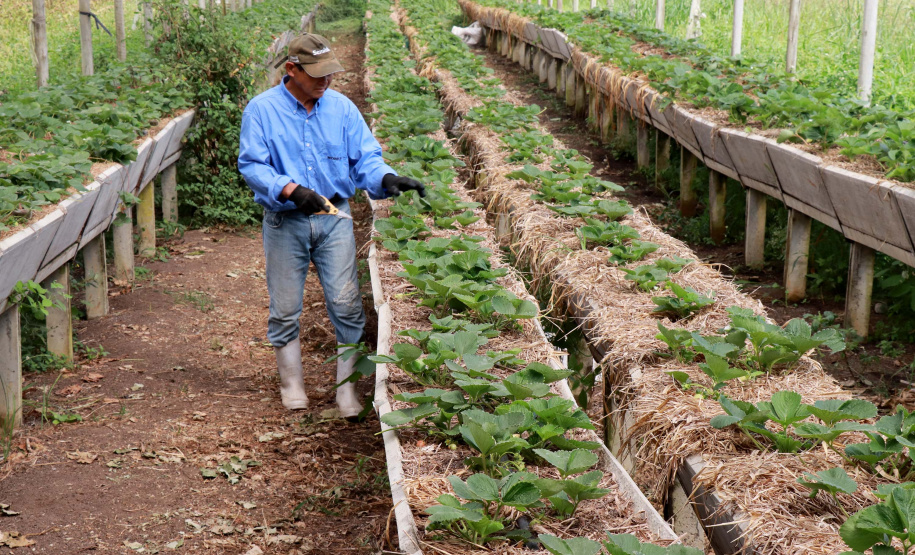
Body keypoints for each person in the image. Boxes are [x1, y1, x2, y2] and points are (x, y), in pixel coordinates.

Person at [238, 33, 425, 417]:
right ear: (292, 70)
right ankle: (292, 386)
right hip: (285, 221)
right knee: (286, 307)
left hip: (333, 217)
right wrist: (289, 190)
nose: (326, 81)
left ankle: (346, 392)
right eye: (318, 74)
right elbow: (252, 165)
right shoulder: (261, 110)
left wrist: (386, 179)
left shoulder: (341, 109)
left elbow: (366, 157)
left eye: (330, 74)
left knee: (345, 304)